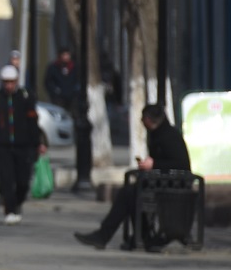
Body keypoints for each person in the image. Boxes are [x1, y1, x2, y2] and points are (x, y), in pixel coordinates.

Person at [74, 104, 191, 251]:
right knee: (130, 193)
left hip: (174, 186)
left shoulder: (169, 136)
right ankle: (137, 235)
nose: (141, 122)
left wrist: (155, 164)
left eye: (143, 118)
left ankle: (111, 235)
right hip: (161, 183)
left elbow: (181, 164)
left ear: (149, 120)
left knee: (130, 193)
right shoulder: (157, 134)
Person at [0, 65, 46, 225]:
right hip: (3, 146)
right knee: (7, 179)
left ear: (16, 81)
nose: (9, 85)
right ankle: (9, 210)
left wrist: (38, 142)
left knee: (23, 181)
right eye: (6, 82)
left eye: (11, 82)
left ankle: (17, 202)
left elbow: (33, 122)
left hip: (23, 146)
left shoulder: (25, 97)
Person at [44, 47, 80, 111]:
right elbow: (48, 82)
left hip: (72, 99)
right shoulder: (53, 67)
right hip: (58, 99)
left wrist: (75, 91)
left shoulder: (74, 67)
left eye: (67, 55)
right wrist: (55, 91)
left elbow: (78, 80)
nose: (66, 57)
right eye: (64, 55)